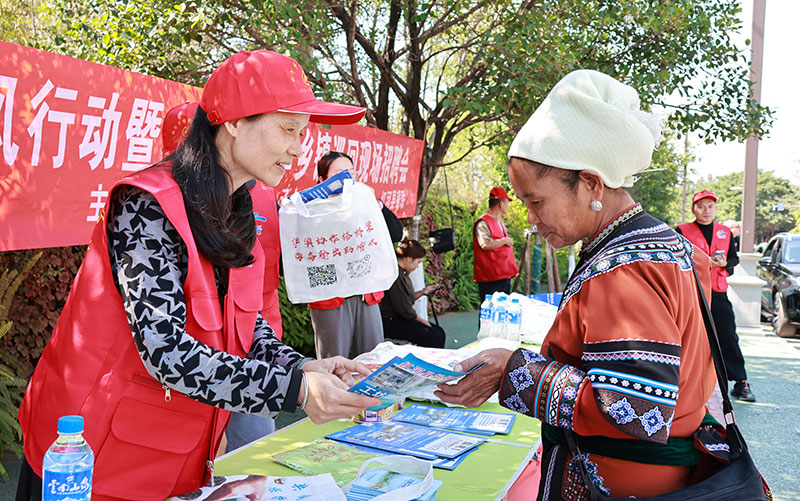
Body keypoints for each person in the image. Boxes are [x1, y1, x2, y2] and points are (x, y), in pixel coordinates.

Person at [16, 50, 381, 501]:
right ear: (232, 122)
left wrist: (301, 365)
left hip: (170, 456)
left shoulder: (238, 209)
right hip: (86, 459)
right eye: (288, 129)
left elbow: (243, 324)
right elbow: (166, 349)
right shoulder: (146, 205)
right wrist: (296, 390)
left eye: (302, 134)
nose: (297, 149)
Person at [436, 70, 721, 499]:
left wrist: (513, 369)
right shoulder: (663, 244)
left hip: (622, 483)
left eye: (536, 200)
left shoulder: (620, 270)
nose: (530, 218)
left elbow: (640, 410)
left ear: (589, 183)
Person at [307, 151, 403, 359]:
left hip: (365, 293)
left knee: (372, 359)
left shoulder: (365, 203)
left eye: (351, 172)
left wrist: (377, 205)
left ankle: (368, 393)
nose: (347, 178)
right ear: (322, 180)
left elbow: (396, 233)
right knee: (334, 361)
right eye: (340, 173)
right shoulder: (311, 210)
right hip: (331, 295)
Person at [677, 191, 755, 402]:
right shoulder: (682, 231)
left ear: (716, 208)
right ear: (694, 208)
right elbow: (676, 261)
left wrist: (724, 265)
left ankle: (740, 382)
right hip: (692, 291)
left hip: (718, 291)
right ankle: (680, 381)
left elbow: (733, 259)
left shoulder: (725, 232)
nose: (706, 211)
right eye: (701, 206)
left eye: (710, 206)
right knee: (687, 335)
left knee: (728, 335)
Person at [379, 238, 446, 348]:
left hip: (398, 318)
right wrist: (424, 322)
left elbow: (406, 300)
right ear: (409, 258)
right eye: (418, 262)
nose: (417, 266)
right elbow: (405, 309)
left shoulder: (401, 273)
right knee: (434, 336)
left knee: (438, 332)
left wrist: (423, 292)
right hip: (390, 321)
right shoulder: (395, 275)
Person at [473, 186, 519, 302]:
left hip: (503, 276)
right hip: (491, 278)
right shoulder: (483, 222)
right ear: (501, 204)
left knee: (502, 311)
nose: (508, 206)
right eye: (507, 203)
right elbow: (485, 244)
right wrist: (505, 241)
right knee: (490, 313)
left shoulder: (500, 222)